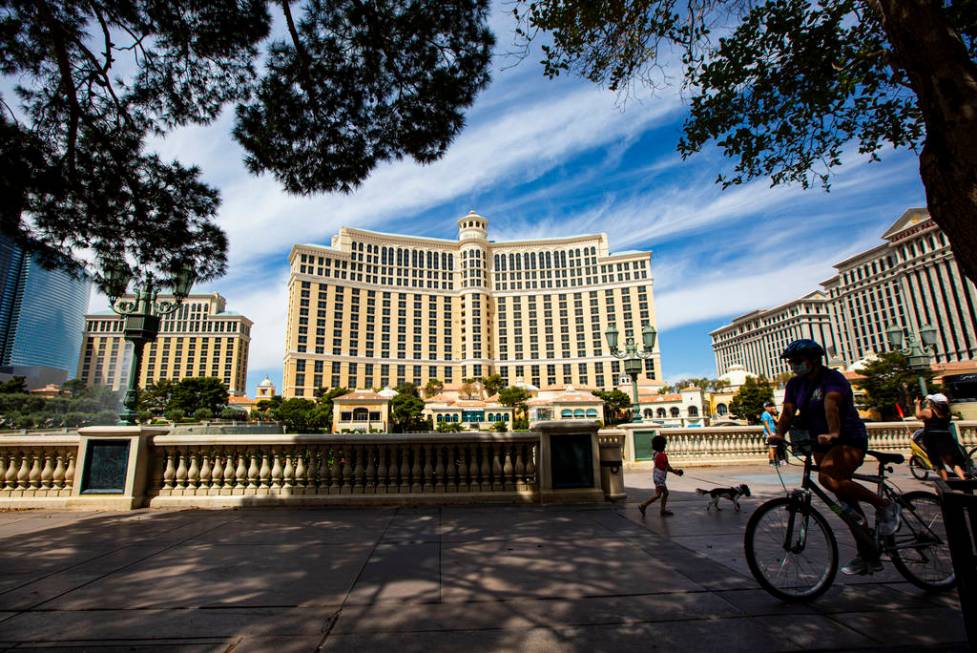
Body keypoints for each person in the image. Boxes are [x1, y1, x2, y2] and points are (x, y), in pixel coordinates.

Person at [770, 339, 900, 576]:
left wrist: (834, 432)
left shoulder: (832, 378)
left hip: (847, 438)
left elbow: (831, 404)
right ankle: (868, 553)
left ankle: (885, 506)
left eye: (797, 361)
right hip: (821, 441)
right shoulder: (795, 384)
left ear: (813, 360)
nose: (793, 365)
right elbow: (788, 411)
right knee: (845, 503)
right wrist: (779, 433)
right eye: (791, 362)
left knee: (829, 477)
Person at [915, 393, 967, 481]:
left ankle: (946, 484)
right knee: (952, 463)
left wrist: (917, 404)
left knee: (938, 464)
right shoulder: (947, 413)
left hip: (933, 439)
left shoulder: (929, 412)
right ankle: (963, 480)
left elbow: (918, 415)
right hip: (946, 438)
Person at [638, 435, 683, 517]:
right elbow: (666, 467)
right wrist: (675, 471)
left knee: (665, 493)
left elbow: (664, 466)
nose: (665, 446)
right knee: (658, 495)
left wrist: (673, 471)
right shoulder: (662, 456)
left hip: (657, 477)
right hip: (660, 478)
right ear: (661, 445)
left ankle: (662, 510)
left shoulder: (655, 454)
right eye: (664, 445)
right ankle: (643, 505)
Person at [762, 401, 785, 466]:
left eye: (770, 406)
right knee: (772, 447)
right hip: (770, 433)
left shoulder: (770, 414)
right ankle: (772, 461)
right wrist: (770, 433)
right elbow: (766, 424)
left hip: (773, 432)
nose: (770, 407)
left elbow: (777, 421)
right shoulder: (765, 414)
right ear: (765, 407)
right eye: (768, 406)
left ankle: (772, 460)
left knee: (774, 447)